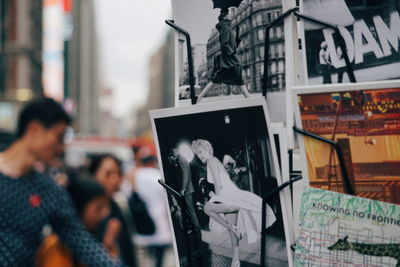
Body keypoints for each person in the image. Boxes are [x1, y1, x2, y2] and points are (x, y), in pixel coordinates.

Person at [0, 97, 122, 266]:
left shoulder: (50, 192)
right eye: (59, 137)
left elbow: (85, 246)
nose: (62, 147)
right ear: (34, 129)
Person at [191, 139, 276, 267]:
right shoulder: (215, 160)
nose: (200, 155)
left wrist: (214, 199)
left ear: (208, 149)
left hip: (229, 197)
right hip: (231, 196)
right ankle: (235, 261)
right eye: (197, 154)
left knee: (207, 208)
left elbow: (218, 186)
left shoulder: (212, 161)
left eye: (201, 151)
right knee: (232, 234)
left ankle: (232, 228)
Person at [89, 154, 155, 267]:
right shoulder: (87, 210)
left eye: (118, 173)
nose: (115, 179)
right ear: (94, 175)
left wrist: (134, 192)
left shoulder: (120, 204)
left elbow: (148, 228)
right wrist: (107, 242)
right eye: (108, 174)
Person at [35, 177, 116, 266]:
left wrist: (108, 245)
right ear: (80, 207)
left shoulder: (96, 235)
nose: (104, 213)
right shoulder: (57, 246)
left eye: (105, 207)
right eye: (98, 208)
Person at [196, 9, 250, 103]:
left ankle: (198, 98)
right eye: (228, 14)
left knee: (221, 80)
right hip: (230, 61)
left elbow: (233, 46)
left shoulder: (227, 27)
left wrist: (237, 34)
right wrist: (232, 54)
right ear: (225, 16)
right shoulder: (225, 27)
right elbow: (224, 44)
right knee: (238, 79)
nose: (230, 15)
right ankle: (250, 100)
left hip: (229, 62)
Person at [131, 146, 172, 267]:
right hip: (160, 222)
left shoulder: (134, 176)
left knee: (146, 257)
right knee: (159, 256)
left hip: (142, 221)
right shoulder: (157, 175)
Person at [169, 145, 201, 233]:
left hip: (187, 190)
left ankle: (197, 228)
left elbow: (185, 174)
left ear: (176, 149)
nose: (172, 153)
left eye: (172, 151)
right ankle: (195, 228)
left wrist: (183, 189)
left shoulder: (180, 158)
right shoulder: (181, 158)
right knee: (189, 209)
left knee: (190, 210)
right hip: (188, 189)